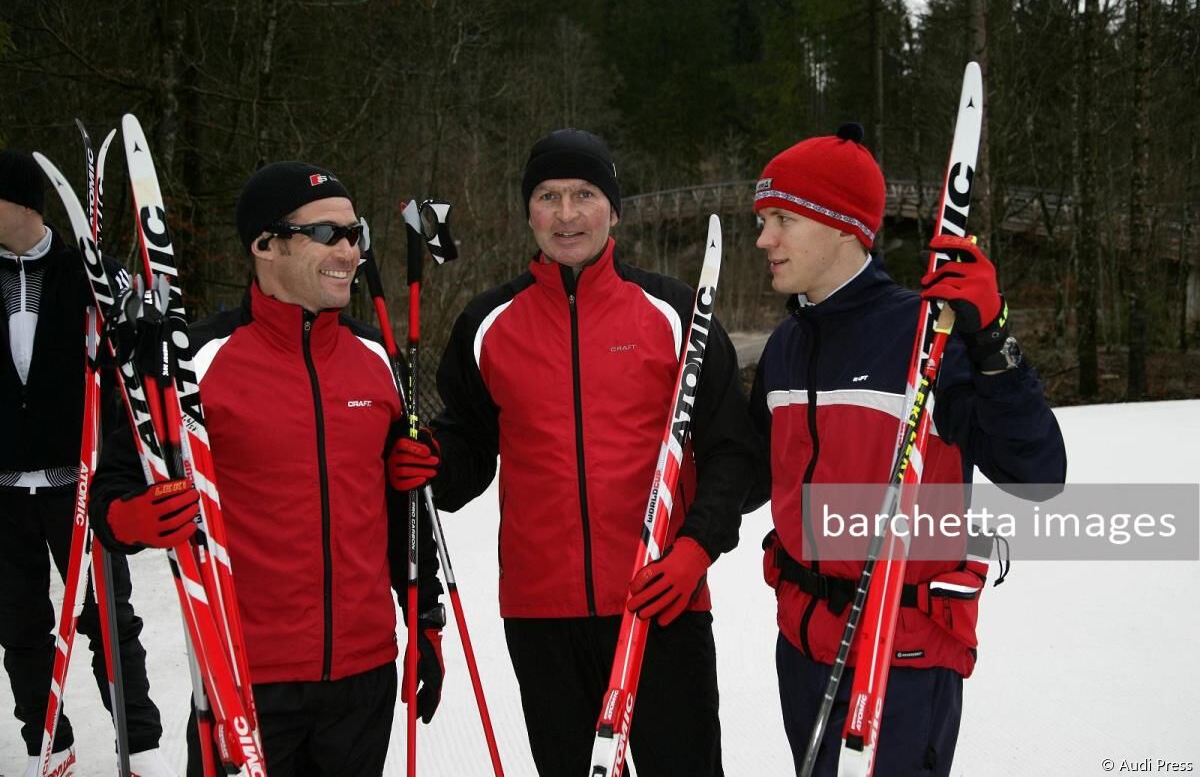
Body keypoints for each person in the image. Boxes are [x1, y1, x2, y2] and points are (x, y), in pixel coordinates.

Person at [391, 128, 761, 776]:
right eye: (549, 196)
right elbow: (470, 443)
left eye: (585, 194)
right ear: (528, 211)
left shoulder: (676, 314)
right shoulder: (488, 324)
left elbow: (733, 450)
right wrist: (435, 462)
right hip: (543, 616)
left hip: (661, 600)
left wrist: (695, 549)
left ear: (614, 208)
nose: (567, 215)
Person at [89, 161, 445, 777]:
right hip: (244, 676)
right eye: (326, 234)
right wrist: (132, 517)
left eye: (355, 233)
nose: (349, 250)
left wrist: (426, 616)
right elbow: (109, 495)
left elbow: (402, 510)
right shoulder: (196, 361)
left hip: (363, 678)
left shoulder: (376, 359)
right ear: (264, 245)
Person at [748, 123, 1068, 776]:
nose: (764, 239)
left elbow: (1037, 472)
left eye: (781, 218)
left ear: (841, 225)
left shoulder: (924, 332)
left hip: (902, 661)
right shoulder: (786, 347)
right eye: (762, 220)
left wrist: (993, 340)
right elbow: (752, 472)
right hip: (803, 652)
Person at [0, 149, 175, 777]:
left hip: (78, 484)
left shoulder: (90, 274)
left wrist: (130, 321)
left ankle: (142, 745)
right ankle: (46, 740)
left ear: (20, 203)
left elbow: (141, 344)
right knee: (19, 624)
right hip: (3, 488)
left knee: (109, 619)